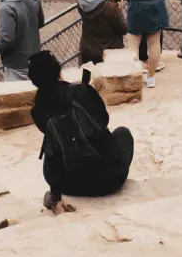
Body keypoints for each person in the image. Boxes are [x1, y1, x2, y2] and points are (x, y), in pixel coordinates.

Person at [28, 51, 134, 212]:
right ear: (58, 70)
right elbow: (103, 120)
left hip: (68, 185)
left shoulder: (37, 110)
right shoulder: (81, 91)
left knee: (52, 146)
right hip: (110, 179)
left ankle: (53, 196)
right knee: (123, 133)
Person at [77, 0, 127, 68]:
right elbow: (123, 29)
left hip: (87, 50)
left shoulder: (81, 1)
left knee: (88, 81)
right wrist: (119, 10)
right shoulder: (110, 7)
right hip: (108, 53)